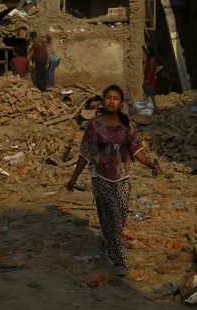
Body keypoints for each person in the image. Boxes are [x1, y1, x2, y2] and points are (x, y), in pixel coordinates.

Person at [66, 84, 162, 277]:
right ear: (103, 101)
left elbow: (136, 150)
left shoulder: (127, 126)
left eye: (115, 98)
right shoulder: (94, 125)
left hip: (123, 178)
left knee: (119, 220)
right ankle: (119, 261)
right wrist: (73, 179)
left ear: (120, 102)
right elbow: (85, 153)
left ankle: (109, 240)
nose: (111, 101)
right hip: (100, 177)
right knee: (109, 216)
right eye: (108, 97)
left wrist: (150, 164)